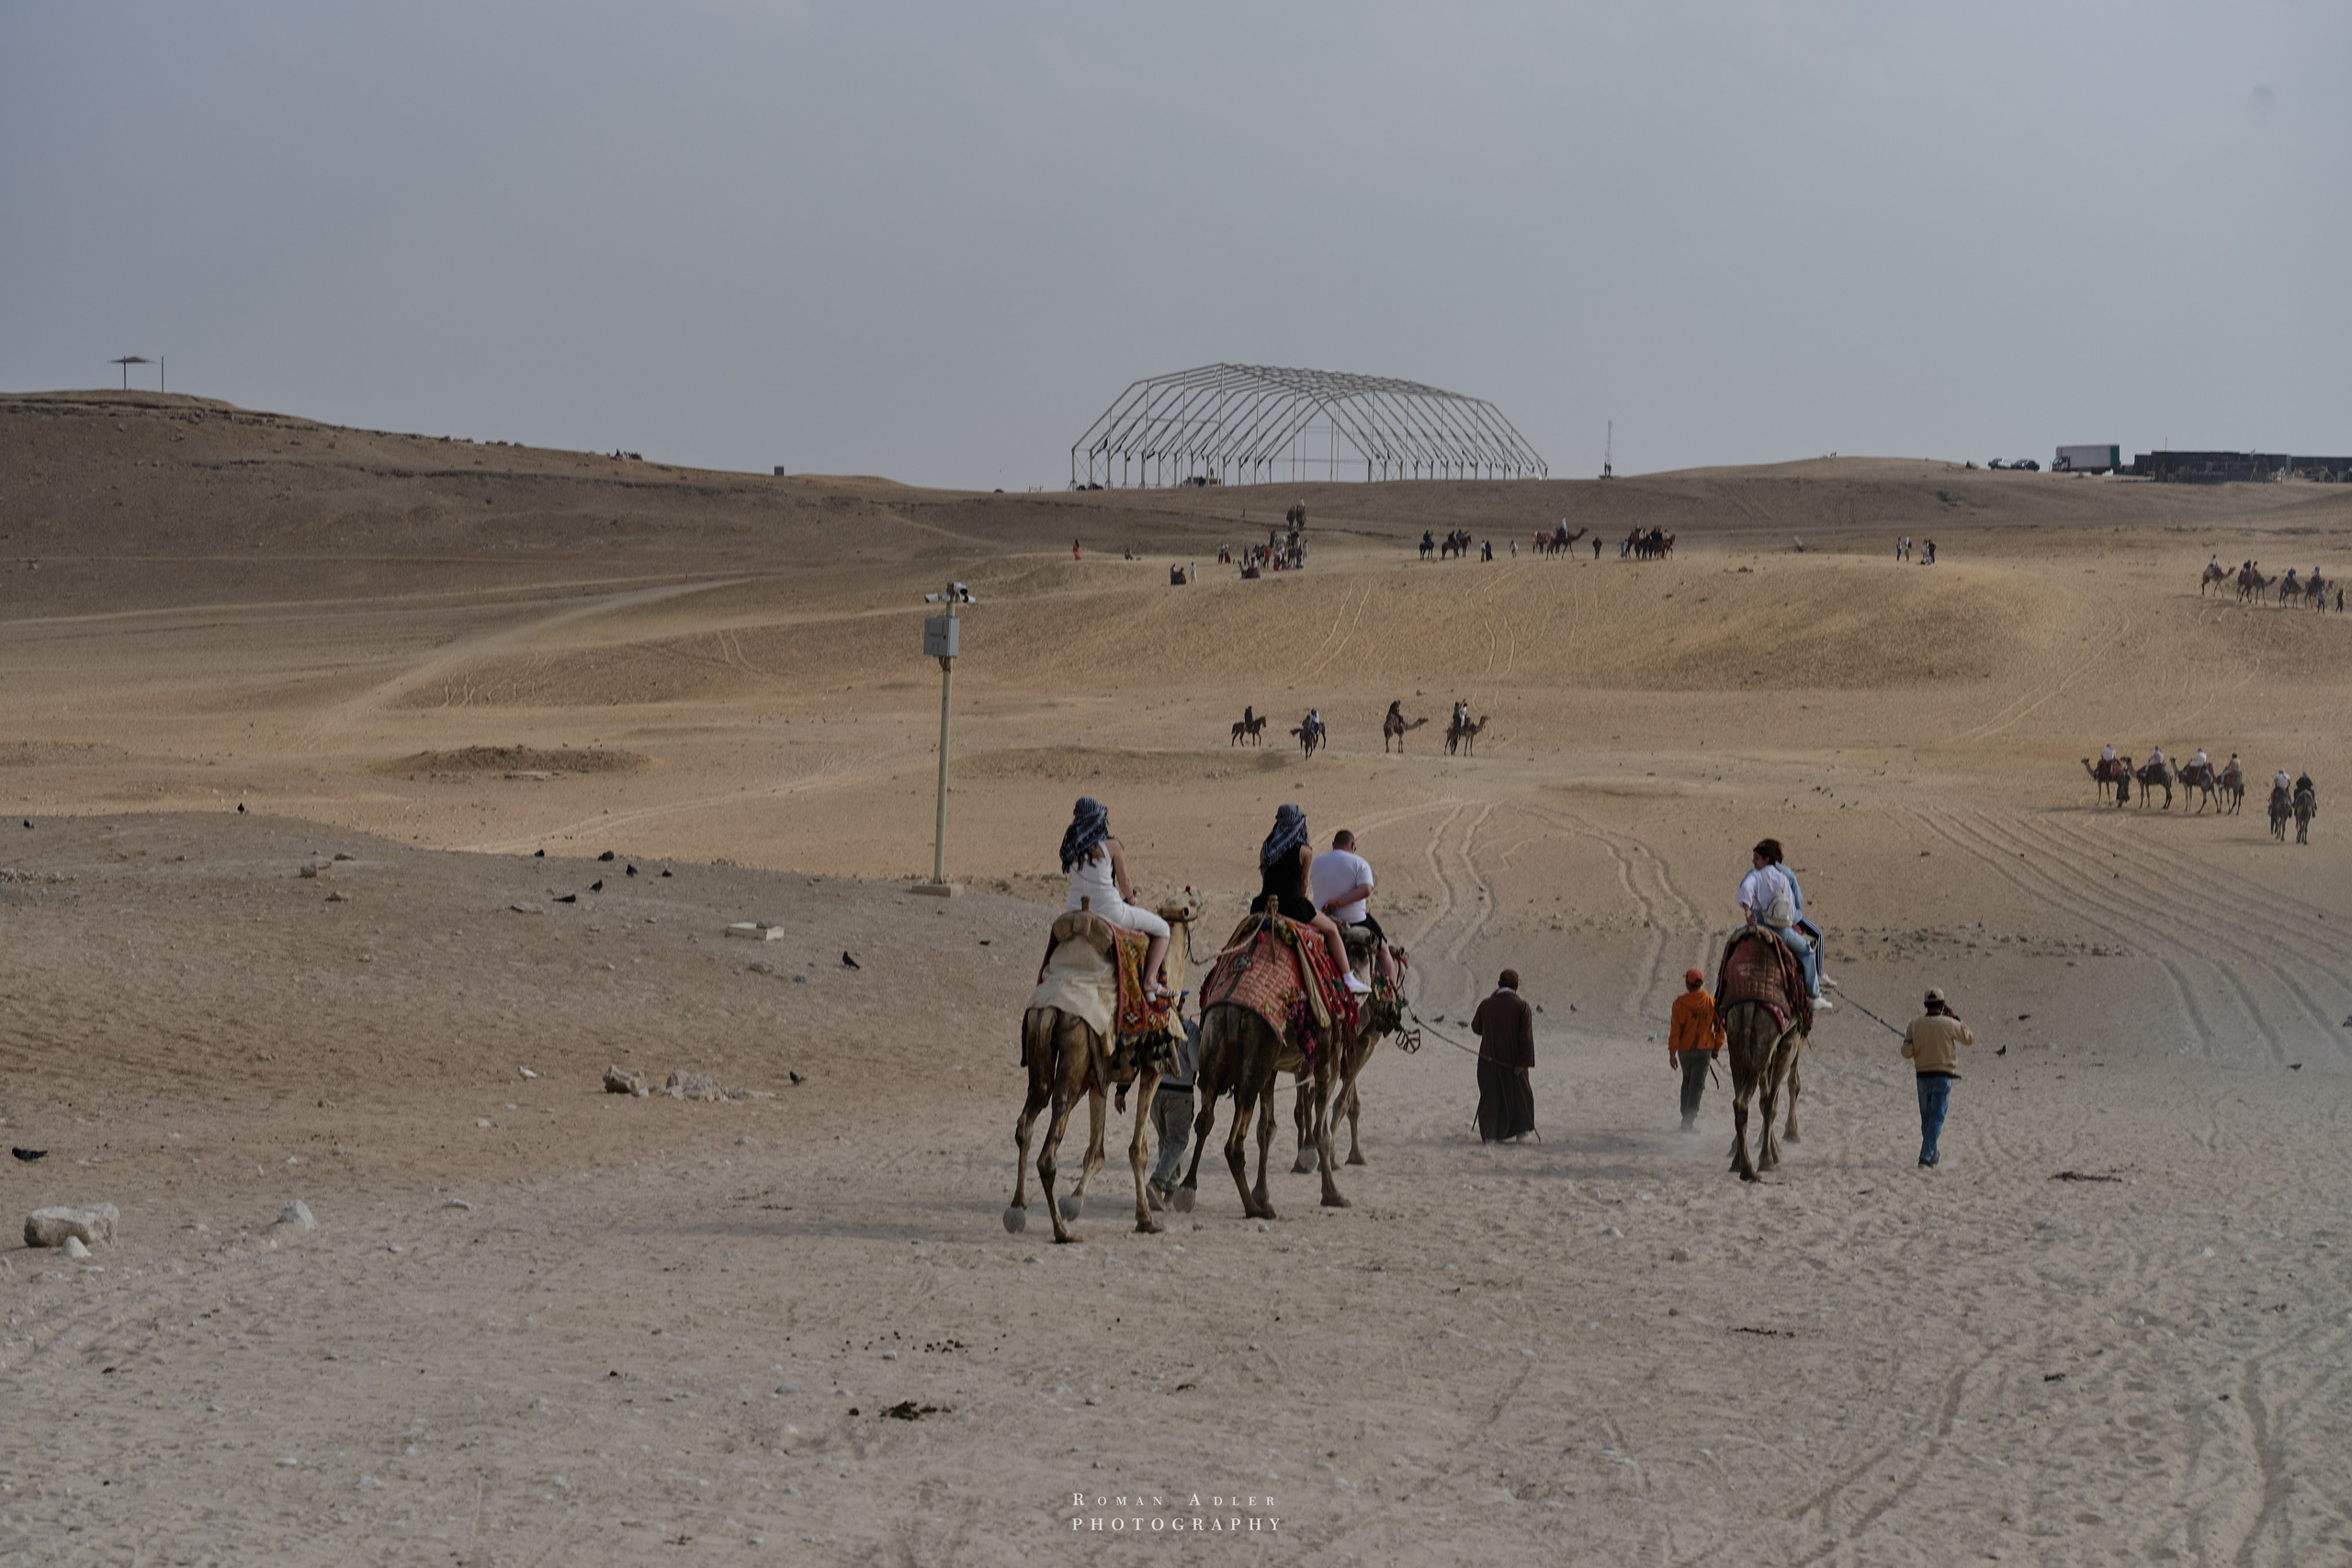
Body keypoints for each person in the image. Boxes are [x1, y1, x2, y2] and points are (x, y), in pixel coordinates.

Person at [1059, 796, 1170, 998]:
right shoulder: (1111, 846)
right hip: (1109, 912)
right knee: (1163, 929)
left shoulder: (1071, 849)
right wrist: (1132, 899)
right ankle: (1150, 982)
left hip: (1074, 911)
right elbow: (1125, 884)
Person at [1258, 804, 1370, 993]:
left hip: (1263, 904)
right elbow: (1302, 887)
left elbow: (1265, 879)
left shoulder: (1265, 849)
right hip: (1293, 905)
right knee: (1332, 930)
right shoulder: (1304, 851)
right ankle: (1348, 978)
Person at [1737, 839, 1828, 1010]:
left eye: (1756, 858)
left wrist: (1747, 912)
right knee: (1807, 951)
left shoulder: (1753, 875)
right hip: (1781, 930)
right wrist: (1792, 923)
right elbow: (1793, 907)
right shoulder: (1784, 877)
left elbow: (1745, 889)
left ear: (1766, 860)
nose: (1753, 861)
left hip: (1757, 926)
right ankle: (1814, 995)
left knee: (1731, 946)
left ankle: (1720, 994)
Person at [1311, 829, 1397, 986]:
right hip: (1354, 921)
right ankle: (1391, 996)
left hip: (1320, 919)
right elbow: (1366, 889)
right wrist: (1337, 903)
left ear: (1333, 845)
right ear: (1352, 845)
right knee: (1384, 951)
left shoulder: (1317, 862)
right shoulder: (1359, 863)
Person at [1902, 987, 1973, 1168]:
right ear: (1943, 1005)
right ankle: (1926, 1157)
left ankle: (1932, 1155)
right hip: (1943, 1077)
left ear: (1925, 1005)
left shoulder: (1914, 1024)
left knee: (1927, 1119)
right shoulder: (1950, 1024)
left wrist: (1912, 1042)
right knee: (1936, 1118)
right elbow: (1968, 1038)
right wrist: (1955, 1017)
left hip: (1922, 1077)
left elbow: (1906, 1053)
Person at [1473, 969, 1536, 1143]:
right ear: (1516, 986)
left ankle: (1490, 1136)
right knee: (1521, 1094)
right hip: (1514, 1063)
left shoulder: (1486, 1004)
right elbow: (1526, 1038)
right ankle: (1522, 1134)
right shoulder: (1522, 1006)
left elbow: (1476, 1028)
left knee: (1491, 1096)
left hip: (1488, 1060)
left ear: (1499, 984)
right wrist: (1523, 1063)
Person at [1147, 1010, 1201, 1207]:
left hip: (1154, 1091)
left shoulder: (1153, 1024)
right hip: (1180, 1093)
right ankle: (1156, 1183)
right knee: (1177, 1141)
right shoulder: (1189, 1028)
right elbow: (1196, 1063)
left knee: (1166, 1142)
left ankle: (1169, 1192)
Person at [1668, 966, 1723, 1133]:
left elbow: (1675, 1030)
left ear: (1687, 984)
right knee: (1697, 1086)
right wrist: (1717, 1048)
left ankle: (1685, 1118)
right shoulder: (1711, 1003)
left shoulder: (1679, 1004)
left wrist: (1672, 1053)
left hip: (1684, 1051)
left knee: (1687, 1081)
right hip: (1704, 1050)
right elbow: (1720, 1029)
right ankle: (1688, 1122)